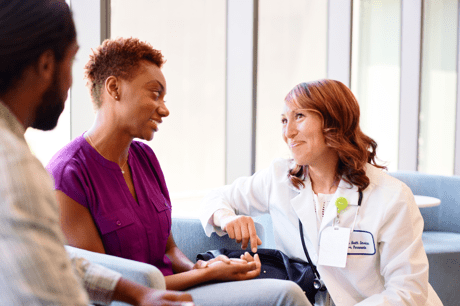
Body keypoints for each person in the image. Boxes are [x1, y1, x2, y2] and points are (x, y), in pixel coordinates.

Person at [46, 36, 311, 306]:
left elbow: (169, 249)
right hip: (133, 301)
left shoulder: (145, 158)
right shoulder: (68, 175)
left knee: (284, 289)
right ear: (114, 88)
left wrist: (201, 269)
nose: (164, 109)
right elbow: (107, 287)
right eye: (154, 93)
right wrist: (205, 275)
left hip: (176, 292)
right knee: (284, 296)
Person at [0, 1, 194, 305]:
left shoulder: (14, 152)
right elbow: (55, 295)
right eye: (72, 62)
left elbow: (59, 258)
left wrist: (141, 294)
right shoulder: (16, 167)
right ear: (46, 64)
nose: (72, 83)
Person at [199, 79, 444, 306]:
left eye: (299, 116)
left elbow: (407, 292)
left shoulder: (391, 196)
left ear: (334, 123)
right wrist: (227, 218)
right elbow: (214, 197)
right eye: (284, 120)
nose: (289, 132)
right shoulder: (279, 179)